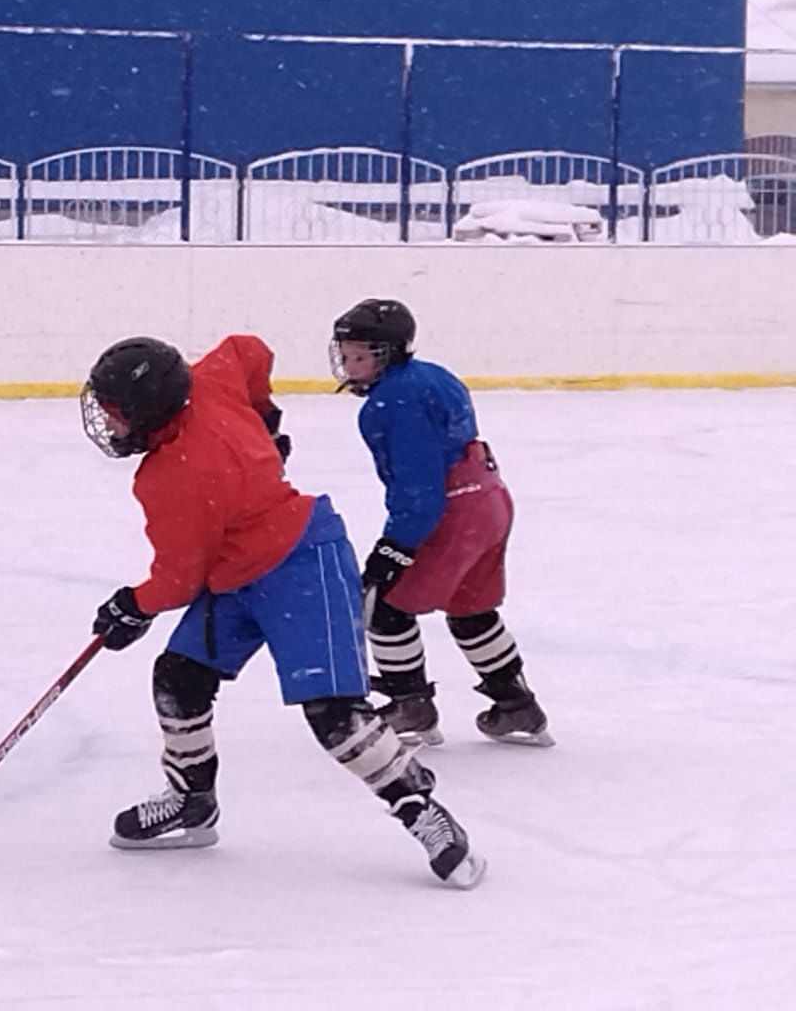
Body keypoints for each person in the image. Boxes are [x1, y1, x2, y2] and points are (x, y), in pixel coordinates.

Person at [81, 333, 485, 889]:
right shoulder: (208, 384)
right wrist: (264, 415)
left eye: (116, 412)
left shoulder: (170, 477)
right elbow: (249, 349)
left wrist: (132, 606)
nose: (108, 423)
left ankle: (423, 811)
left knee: (335, 714)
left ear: (149, 410)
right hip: (234, 572)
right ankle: (191, 800)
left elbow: (177, 581)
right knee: (179, 676)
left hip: (302, 562)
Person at [331, 298, 553, 748]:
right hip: (488, 500)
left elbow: (419, 487)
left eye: (362, 357)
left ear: (389, 353)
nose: (351, 366)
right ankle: (517, 705)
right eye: (346, 355)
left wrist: (394, 548)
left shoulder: (391, 403)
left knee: (386, 606)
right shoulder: (432, 375)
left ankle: (411, 705)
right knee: (471, 609)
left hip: (449, 514)